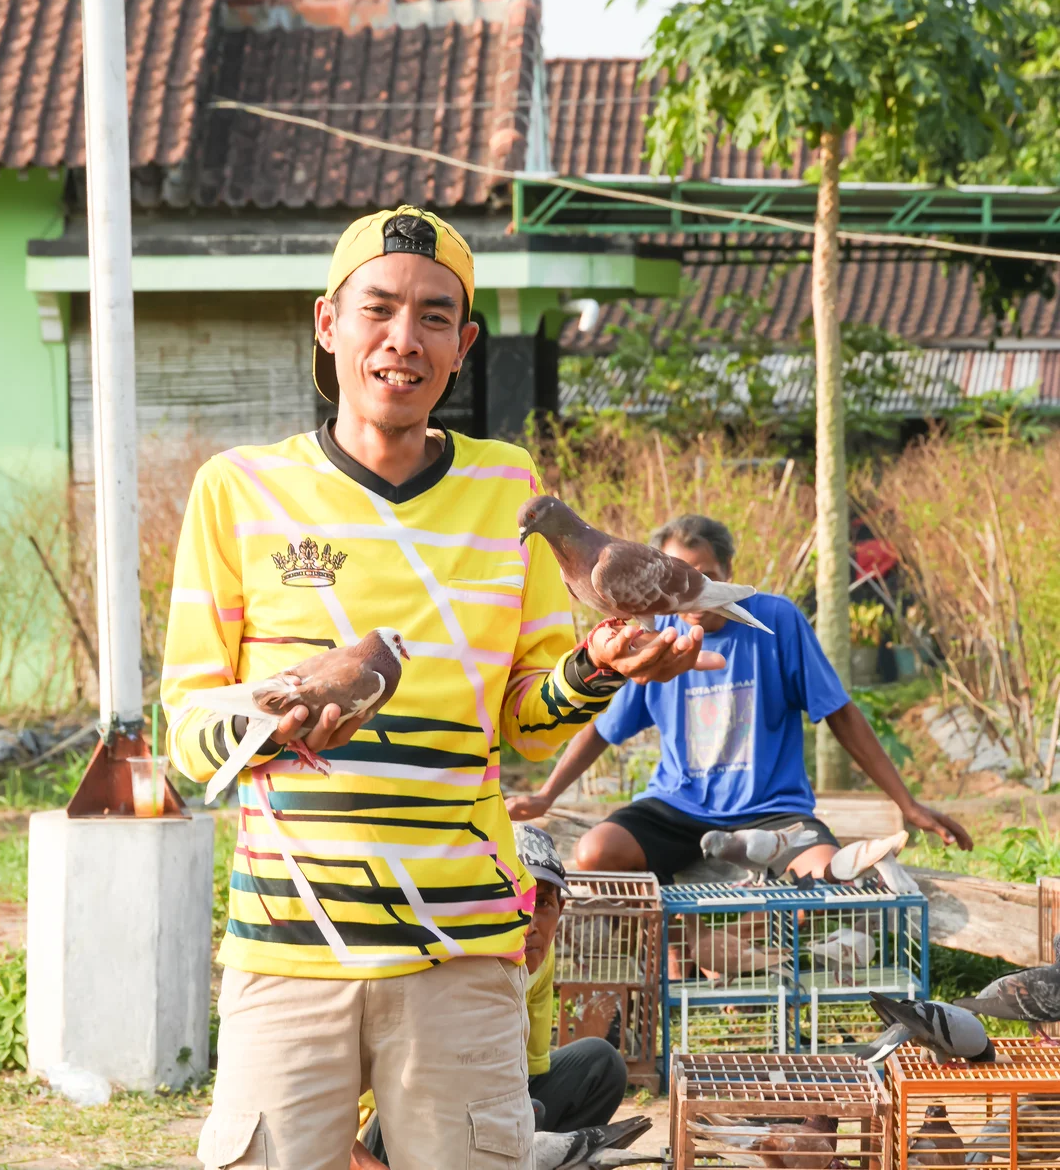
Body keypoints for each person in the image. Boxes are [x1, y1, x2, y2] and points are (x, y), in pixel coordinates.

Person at [161, 207, 723, 1170]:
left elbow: (528, 727)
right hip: (292, 942)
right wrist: (278, 727)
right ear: (327, 324)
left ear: (462, 345)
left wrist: (594, 670)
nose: (401, 339)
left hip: (460, 945)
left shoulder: (509, 490)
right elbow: (185, 737)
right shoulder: (238, 490)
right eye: (377, 309)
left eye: (432, 317)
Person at [507, 513, 973, 884]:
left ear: (728, 574)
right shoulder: (653, 635)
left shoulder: (776, 620)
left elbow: (841, 714)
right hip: (679, 808)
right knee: (594, 853)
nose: (686, 589)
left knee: (828, 876)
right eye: (673, 575)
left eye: (703, 576)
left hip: (772, 811)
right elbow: (603, 729)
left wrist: (907, 805)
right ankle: (676, 959)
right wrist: (547, 794)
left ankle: (718, 949)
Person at [350, 823, 629, 1168]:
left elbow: (524, 1073)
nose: (528, 924)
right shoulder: (433, 958)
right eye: (509, 901)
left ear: (562, 907)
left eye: (541, 903)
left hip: (483, 1106)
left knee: (600, 1064)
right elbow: (320, 1096)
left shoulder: (539, 957)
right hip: (398, 1123)